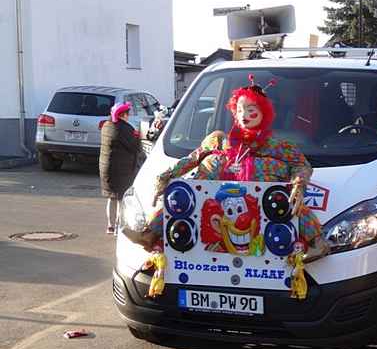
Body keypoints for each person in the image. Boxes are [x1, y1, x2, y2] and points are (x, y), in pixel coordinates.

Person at [122, 74, 330, 264]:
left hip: (265, 213)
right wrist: (168, 176)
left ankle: (316, 242)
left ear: (263, 113)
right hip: (221, 210)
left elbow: (301, 164)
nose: (244, 115)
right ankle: (150, 234)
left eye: (251, 110)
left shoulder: (276, 146)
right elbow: (193, 158)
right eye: (240, 110)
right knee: (183, 191)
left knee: (288, 200)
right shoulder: (221, 140)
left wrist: (299, 184)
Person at [99, 102, 141, 234]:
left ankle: (110, 226)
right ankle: (118, 227)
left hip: (106, 168)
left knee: (111, 197)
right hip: (121, 169)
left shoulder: (106, 125)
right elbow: (134, 147)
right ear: (122, 115)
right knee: (121, 199)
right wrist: (138, 136)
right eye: (127, 114)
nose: (128, 116)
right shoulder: (125, 129)